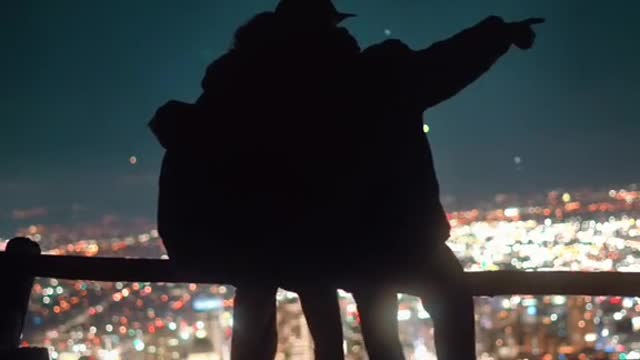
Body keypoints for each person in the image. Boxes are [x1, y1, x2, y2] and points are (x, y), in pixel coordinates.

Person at [150, 1, 362, 359]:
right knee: (314, 287)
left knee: (257, 294)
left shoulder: (228, 84)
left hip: (232, 233)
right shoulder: (296, 85)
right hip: (273, 229)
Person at [345, 15, 544, 360]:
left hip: (352, 239)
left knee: (380, 334)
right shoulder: (385, 80)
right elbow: (446, 62)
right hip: (408, 233)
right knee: (451, 297)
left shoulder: (299, 93)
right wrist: (498, 34)